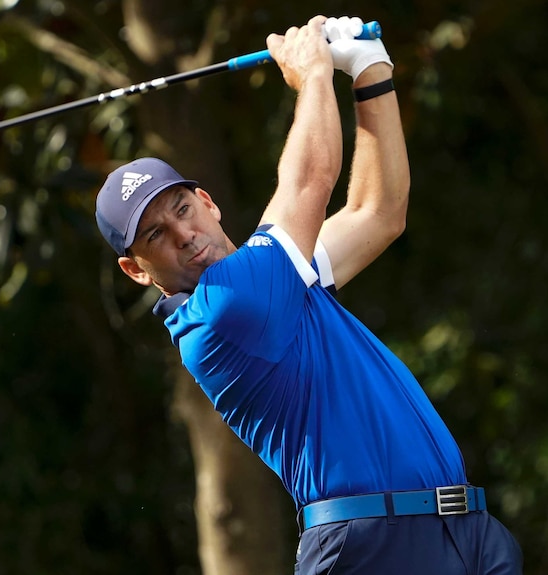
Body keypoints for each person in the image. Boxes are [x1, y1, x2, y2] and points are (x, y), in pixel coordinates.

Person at [94, 15, 522, 575]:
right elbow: (311, 179)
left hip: (466, 535)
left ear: (207, 202)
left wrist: (370, 69)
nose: (185, 236)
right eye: (156, 236)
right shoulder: (220, 313)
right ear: (135, 270)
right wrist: (314, 71)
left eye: (182, 209)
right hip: (370, 550)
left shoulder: (281, 278)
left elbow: (378, 212)